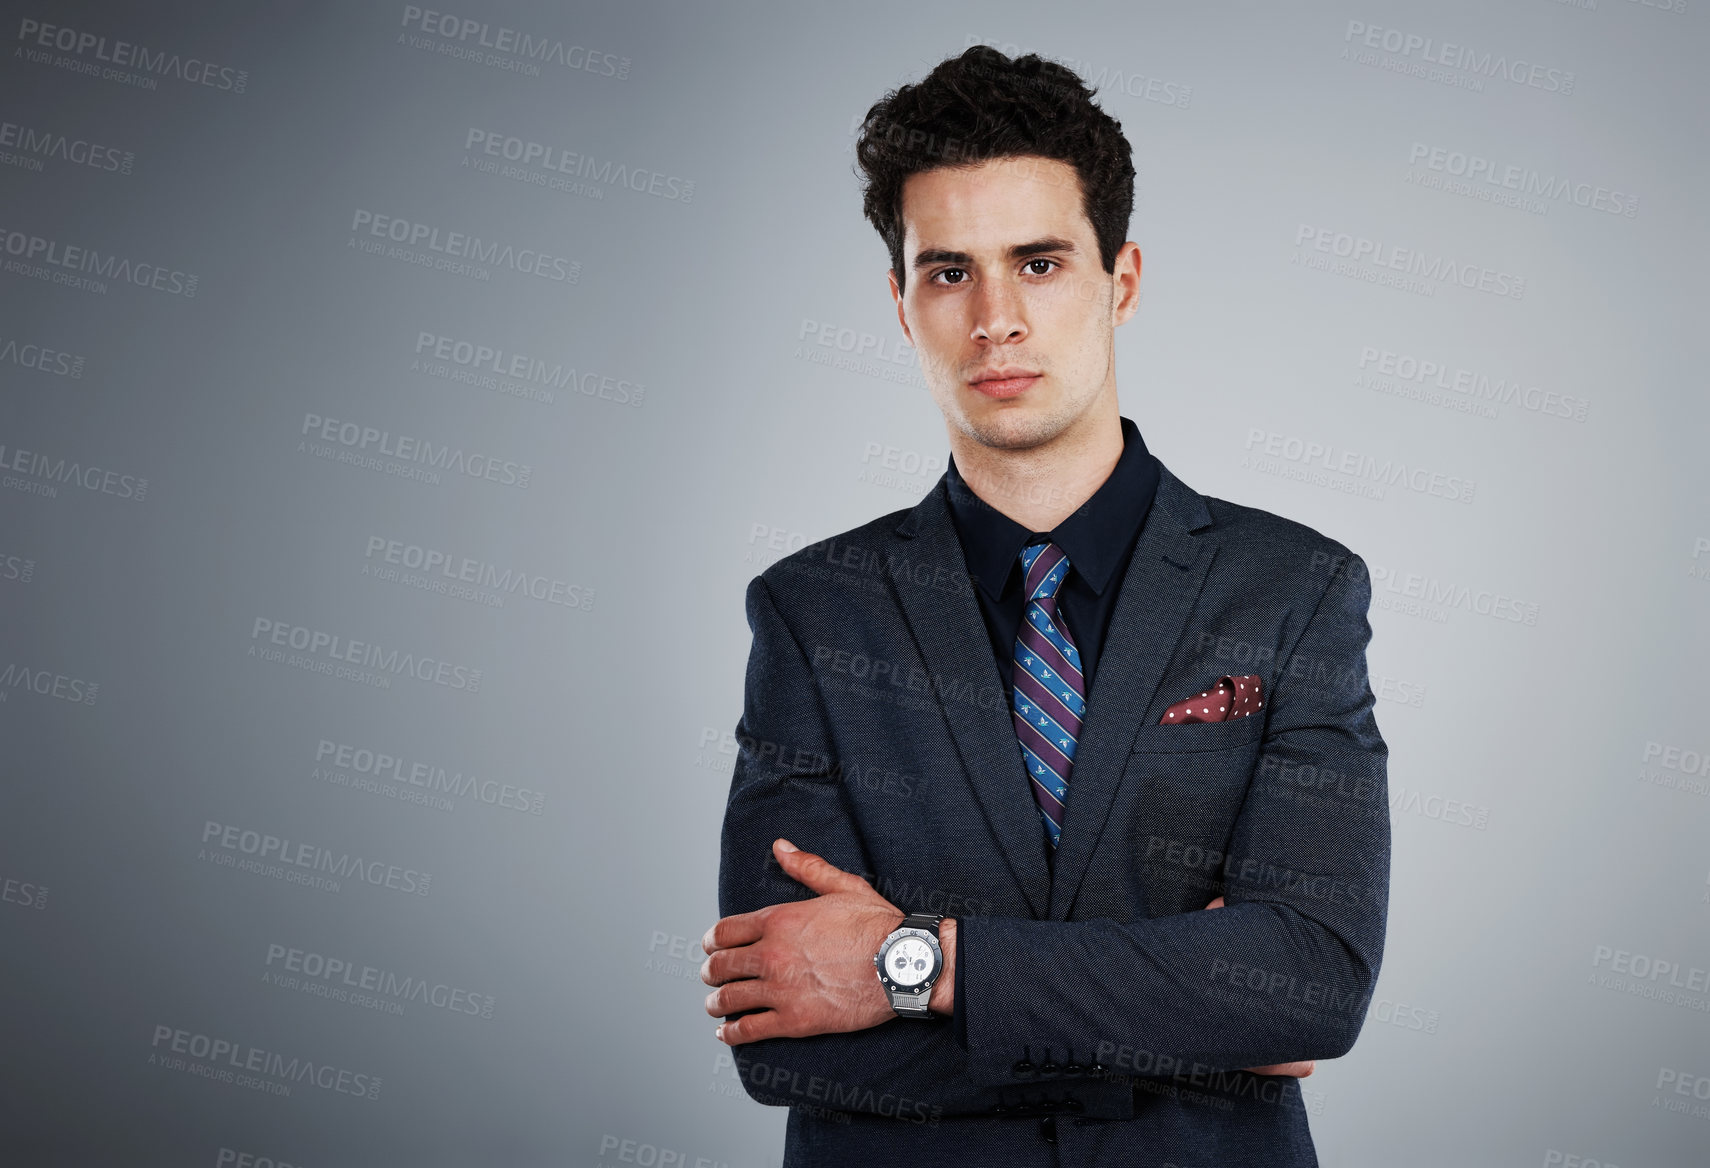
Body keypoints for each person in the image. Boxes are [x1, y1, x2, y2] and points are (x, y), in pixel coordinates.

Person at [701, 45, 1389, 1167]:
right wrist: (1197, 1023)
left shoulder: (1296, 590)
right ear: (899, 301)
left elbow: (1311, 981)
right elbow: (783, 1040)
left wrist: (905, 965)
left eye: (1039, 262)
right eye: (949, 271)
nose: (996, 320)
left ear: (1120, 279)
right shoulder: (812, 615)